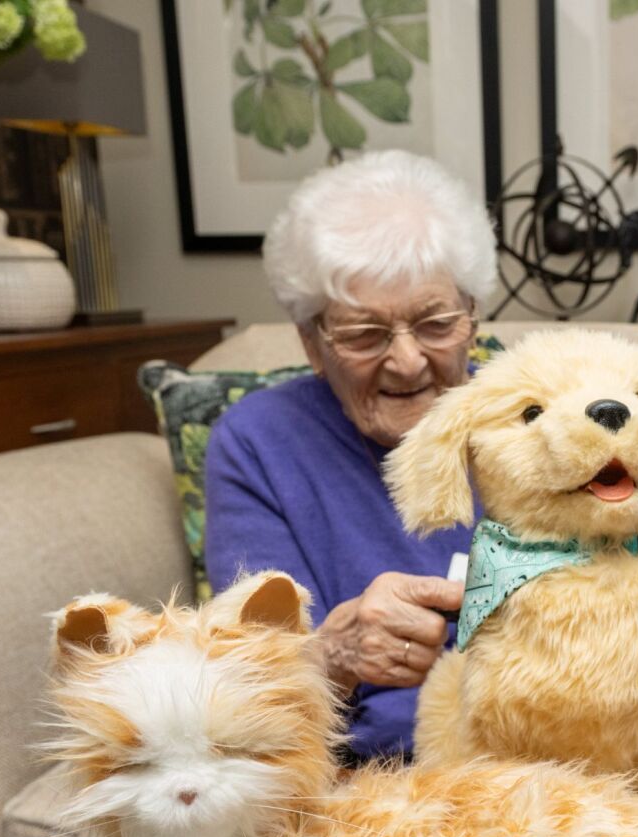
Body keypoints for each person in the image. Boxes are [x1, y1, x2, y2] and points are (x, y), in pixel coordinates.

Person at [205, 150, 497, 760]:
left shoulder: (548, 414)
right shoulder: (260, 442)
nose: (409, 360)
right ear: (312, 343)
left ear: (473, 318)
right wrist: (334, 654)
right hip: (379, 783)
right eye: (365, 335)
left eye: (436, 323)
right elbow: (250, 684)